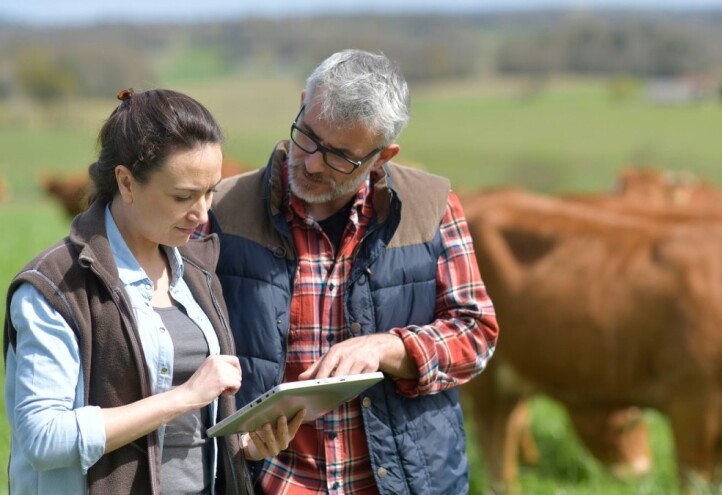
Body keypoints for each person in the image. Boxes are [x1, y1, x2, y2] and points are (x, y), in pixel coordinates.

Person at [204, 49, 500, 494]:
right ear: (303, 102)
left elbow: (476, 333)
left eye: (341, 155)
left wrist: (388, 348)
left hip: (407, 481)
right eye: (307, 136)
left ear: (382, 156)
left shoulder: (431, 206)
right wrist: (236, 438)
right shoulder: (222, 211)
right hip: (272, 482)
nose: (312, 163)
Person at [3, 88, 305, 495]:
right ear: (126, 182)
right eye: (183, 196)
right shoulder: (57, 285)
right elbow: (43, 437)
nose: (202, 213)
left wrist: (243, 445)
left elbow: (191, 431)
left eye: (210, 191)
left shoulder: (197, 270)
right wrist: (183, 398)